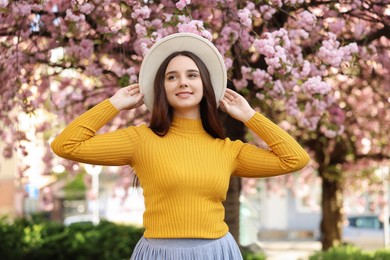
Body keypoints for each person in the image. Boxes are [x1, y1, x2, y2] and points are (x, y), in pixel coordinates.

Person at [51, 33, 310, 259]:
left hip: (216, 253)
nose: (183, 82)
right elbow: (66, 145)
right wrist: (114, 104)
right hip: (158, 254)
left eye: (192, 75)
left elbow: (294, 159)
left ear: (205, 86)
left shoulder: (228, 150)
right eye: (172, 77)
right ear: (162, 88)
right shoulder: (140, 140)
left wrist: (249, 116)